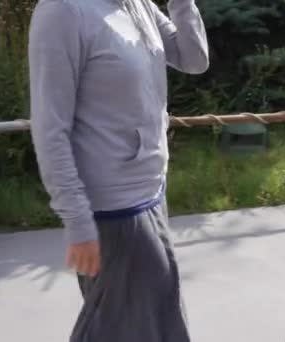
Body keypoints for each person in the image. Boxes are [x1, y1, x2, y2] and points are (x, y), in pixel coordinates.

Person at [28, 0, 209, 340]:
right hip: (112, 210)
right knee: (128, 327)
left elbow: (194, 59)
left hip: (152, 191)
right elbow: (50, 129)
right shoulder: (63, 12)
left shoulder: (136, 3)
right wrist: (78, 221)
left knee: (155, 317)